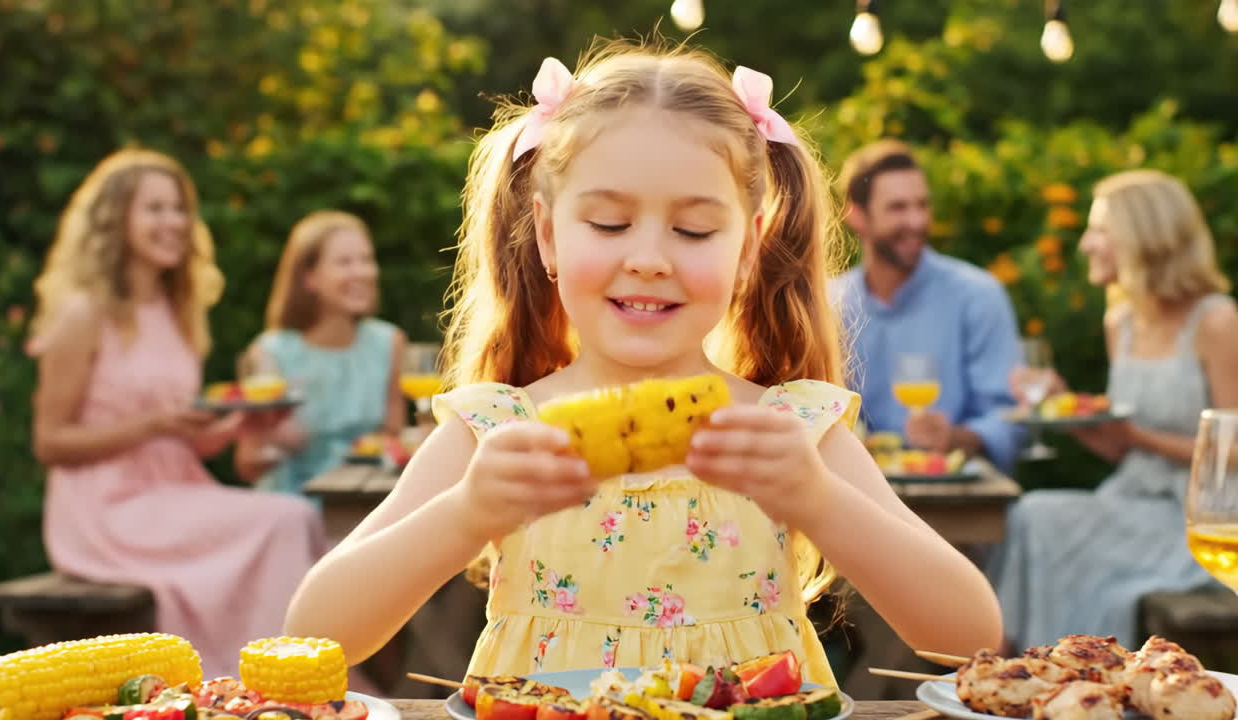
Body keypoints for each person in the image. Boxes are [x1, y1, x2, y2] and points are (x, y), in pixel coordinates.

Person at [283, 41, 1002, 685]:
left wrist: (818, 499)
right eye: (608, 223)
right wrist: (468, 512)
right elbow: (314, 634)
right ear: (548, 235)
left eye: (693, 229)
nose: (650, 260)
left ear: (748, 246)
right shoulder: (499, 430)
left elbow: (970, 636)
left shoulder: (790, 430)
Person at [27, 148, 326, 678]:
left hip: (173, 490)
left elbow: (183, 444)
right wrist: (152, 425)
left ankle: (274, 672)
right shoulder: (84, 314)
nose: (174, 222)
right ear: (115, 220)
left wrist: (237, 428)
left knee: (290, 515)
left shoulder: (175, 310)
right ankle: (260, 677)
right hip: (105, 509)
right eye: (155, 208)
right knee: (288, 517)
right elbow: (50, 441)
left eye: (179, 209)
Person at [994, 169, 1238, 650]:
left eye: (1100, 229)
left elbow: (1232, 450)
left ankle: (1051, 664)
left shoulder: (1216, 321)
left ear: (1146, 236)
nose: (1086, 244)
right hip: (1131, 500)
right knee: (1030, 513)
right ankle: (1031, 663)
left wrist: (1136, 437)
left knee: (1040, 516)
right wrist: (1066, 407)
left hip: (1201, 521)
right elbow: (1124, 450)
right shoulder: (1120, 322)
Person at [834, 140, 1025, 471]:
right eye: (898, 208)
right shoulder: (830, 302)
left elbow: (1012, 420)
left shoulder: (977, 296)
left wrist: (953, 437)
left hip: (955, 499)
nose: (917, 221)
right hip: (854, 494)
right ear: (857, 215)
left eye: (922, 205)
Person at [234, 210, 408, 496]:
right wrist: (274, 443)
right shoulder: (270, 352)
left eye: (366, 260)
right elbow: (248, 465)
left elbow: (393, 438)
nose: (362, 272)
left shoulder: (389, 342)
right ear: (309, 278)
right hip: (294, 502)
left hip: (364, 497)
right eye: (344, 262)